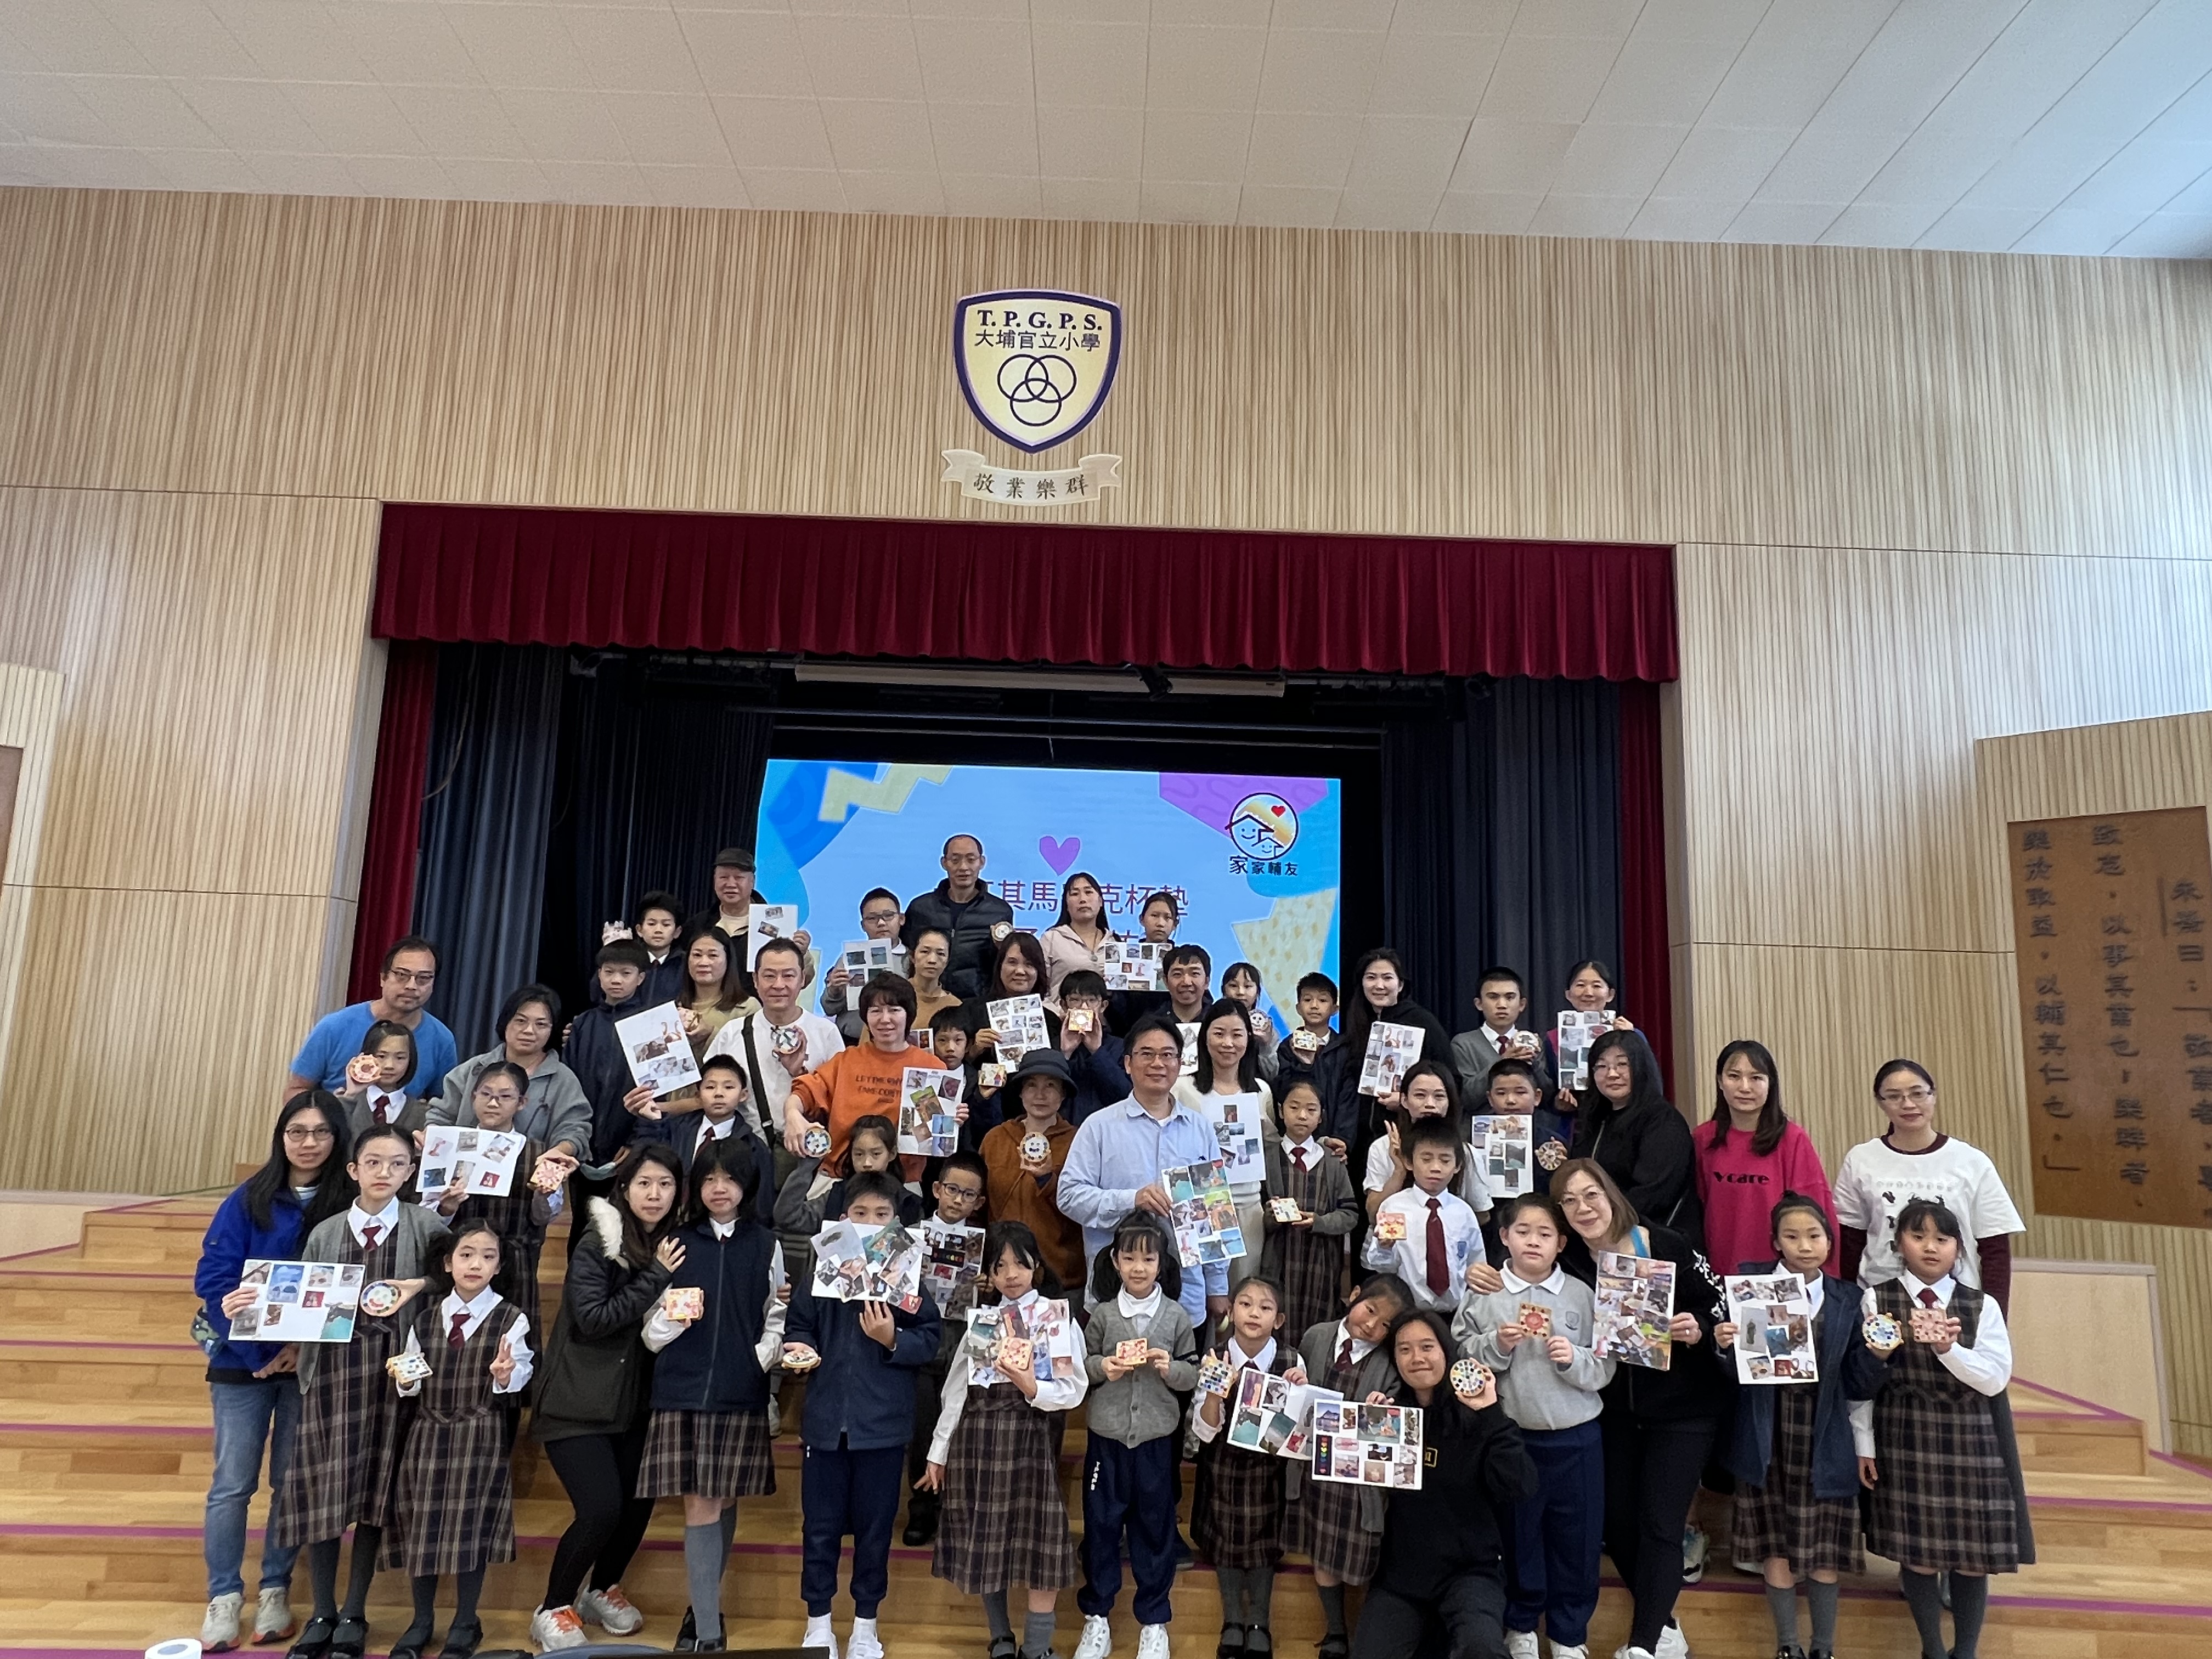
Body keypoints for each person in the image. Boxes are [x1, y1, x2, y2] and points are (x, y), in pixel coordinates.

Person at [1469, 1159, 1722, 1659]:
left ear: (1611, 1195)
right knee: (1615, 1522)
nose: (1583, 1208)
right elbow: (1524, 1264)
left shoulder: (1666, 1244)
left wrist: (1699, 1331)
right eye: (1569, 1201)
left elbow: (1718, 1305)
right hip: (1618, 1410)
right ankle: (1663, 1624)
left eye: (1591, 1195)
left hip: (1682, 1407)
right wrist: (1483, 1272)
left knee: (1660, 1523)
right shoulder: (1575, 1266)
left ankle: (1644, 1644)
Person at [268, 1124, 448, 1659]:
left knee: (375, 1495)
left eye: (396, 1164)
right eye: (373, 1162)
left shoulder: (424, 1225)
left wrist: (420, 1284)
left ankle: (354, 1612)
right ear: (353, 1170)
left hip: (393, 1382)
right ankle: (322, 1611)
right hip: (331, 1378)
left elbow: (454, 1277)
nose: (384, 1173)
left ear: (410, 1172)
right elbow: (298, 1299)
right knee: (325, 1495)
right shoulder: (326, 1232)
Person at [195, 1094, 355, 1652]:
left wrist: (297, 1349)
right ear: (281, 1137)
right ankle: (223, 1596)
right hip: (240, 1365)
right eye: (296, 1131)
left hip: (308, 1369)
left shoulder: (348, 1203)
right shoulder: (248, 1198)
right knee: (232, 1485)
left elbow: (349, 1288)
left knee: (290, 1483)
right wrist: (257, 1353)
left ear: (338, 1138)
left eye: (321, 1132)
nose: (308, 1143)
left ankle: (274, 1591)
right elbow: (214, 1280)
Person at [1854, 1199, 2028, 1659]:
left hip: (1970, 1435)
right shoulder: (1876, 1298)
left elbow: (1996, 1379)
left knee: (1973, 1556)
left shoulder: (1982, 1304)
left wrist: (1950, 1351)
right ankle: (1932, 1649)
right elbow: (1865, 1383)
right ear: (1898, 1244)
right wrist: (1864, 1443)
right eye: (1918, 1237)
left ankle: (1965, 1652)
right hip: (1904, 1431)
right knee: (1918, 1555)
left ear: (1959, 1249)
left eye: (1943, 1239)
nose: (1930, 1247)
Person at [1713, 1193, 1882, 1659]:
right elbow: (1736, 1374)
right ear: (1776, 1242)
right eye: (1792, 1236)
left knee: (1824, 1552)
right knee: (1776, 1547)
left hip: (1825, 1438)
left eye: (1814, 1236)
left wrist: (1878, 1357)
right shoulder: (1752, 1287)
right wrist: (1724, 1346)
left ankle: (1823, 1648)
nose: (1804, 1246)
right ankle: (1787, 1645)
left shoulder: (1849, 1298)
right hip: (1767, 1435)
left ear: (1830, 1242)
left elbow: (1858, 1382)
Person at [782, 1169, 943, 1659]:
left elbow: (931, 1340)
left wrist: (892, 1339)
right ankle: (818, 1625)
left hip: (883, 1428)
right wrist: (800, 1348)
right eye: (859, 1213)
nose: (870, 1223)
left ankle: (866, 1627)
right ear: (843, 1218)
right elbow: (799, 1326)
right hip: (825, 1424)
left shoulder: (906, 1277)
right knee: (820, 1529)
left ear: (895, 1222)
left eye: (881, 1214)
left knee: (875, 1532)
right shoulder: (822, 1272)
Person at [529, 1144, 685, 1652]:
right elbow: (593, 1318)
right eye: (645, 1183)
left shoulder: (674, 1242)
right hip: (577, 1400)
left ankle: (601, 1589)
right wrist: (656, 1277)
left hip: (636, 1403)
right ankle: (553, 1606)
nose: (655, 1194)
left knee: (638, 1505)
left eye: (665, 1184)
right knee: (600, 1508)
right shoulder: (600, 1238)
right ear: (624, 1187)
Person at [637, 1136, 786, 1655]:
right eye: (708, 1179)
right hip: (682, 1388)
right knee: (700, 1502)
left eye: (729, 1179)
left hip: (740, 1387)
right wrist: (673, 1323)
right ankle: (706, 1631)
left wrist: (758, 1359)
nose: (719, 1188)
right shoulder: (677, 1241)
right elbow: (649, 1329)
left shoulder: (766, 1244)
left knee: (724, 1497)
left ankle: (704, 1606)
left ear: (747, 1185)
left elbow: (777, 1313)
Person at [1452, 1193, 1612, 1659]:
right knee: (1517, 1534)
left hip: (1576, 1436)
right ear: (1504, 1237)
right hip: (1512, 1437)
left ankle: (1569, 1633)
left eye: (1545, 1234)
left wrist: (1573, 1358)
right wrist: (1496, 1345)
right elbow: (1462, 1356)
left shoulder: (1582, 1294)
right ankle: (1520, 1625)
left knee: (1578, 1538)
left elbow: (1606, 1366)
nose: (1533, 1242)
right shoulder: (1485, 1291)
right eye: (1523, 1232)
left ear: (1562, 1243)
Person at [923, 1221, 1088, 1659]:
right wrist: (939, 1452)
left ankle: (1037, 1648)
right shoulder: (983, 1322)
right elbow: (956, 1392)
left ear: (1036, 1266)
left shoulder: (1055, 1318)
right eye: (1000, 1266)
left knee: (1043, 1545)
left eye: (1020, 1263)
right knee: (987, 1541)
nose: (1011, 1274)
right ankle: (1000, 1637)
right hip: (978, 1442)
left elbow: (1074, 1390)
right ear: (990, 1275)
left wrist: (1033, 1388)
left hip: (1031, 1439)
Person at [381, 1220, 533, 1659]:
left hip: (479, 1433)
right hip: (428, 1433)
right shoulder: (427, 1318)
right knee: (422, 1526)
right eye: (466, 1255)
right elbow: (411, 1381)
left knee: (473, 1528)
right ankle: (421, 1620)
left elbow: (519, 1374)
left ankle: (466, 1621)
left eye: (488, 1256)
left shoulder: (511, 1318)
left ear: (498, 1266)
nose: (476, 1264)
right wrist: (403, 1378)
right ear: (449, 1263)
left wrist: (505, 1375)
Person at [1347, 1310, 1537, 1659]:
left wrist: (1491, 1414)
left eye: (1427, 1347)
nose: (1416, 1358)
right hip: (1401, 1579)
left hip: (1471, 1574)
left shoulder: (1479, 1415)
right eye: (1404, 1349)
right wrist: (1367, 1430)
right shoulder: (1390, 1419)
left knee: (1481, 1649)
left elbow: (1520, 1487)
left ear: (1446, 1352)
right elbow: (1349, 1476)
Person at [1071, 1215, 1199, 1659]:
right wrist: (1101, 1367)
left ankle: (1154, 1622)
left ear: (1162, 1264)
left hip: (1155, 1441)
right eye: (1129, 1258)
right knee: (1101, 1527)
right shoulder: (1104, 1315)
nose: (1139, 1267)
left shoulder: (1176, 1316)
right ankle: (1097, 1618)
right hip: (1106, 1440)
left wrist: (1171, 1369)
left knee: (1155, 1529)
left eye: (1148, 1259)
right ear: (1115, 1261)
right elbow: (1083, 1364)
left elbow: (1193, 1373)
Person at [1059, 1017, 1232, 1329]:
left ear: (1180, 1064)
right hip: (1114, 1297)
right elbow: (1069, 1196)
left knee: (1183, 1362)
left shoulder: (1200, 1129)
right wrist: (1131, 1200)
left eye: (1168, 1055)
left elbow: (1215, 1212)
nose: (1158, 1064)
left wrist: (1218, 1286)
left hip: (1185, 1296)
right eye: (1147, 1054)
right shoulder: (1098, 1127)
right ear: (1128, 1064)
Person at [1285, 1274, 1412, 1659]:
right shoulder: (1316, 1336)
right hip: (1313, 1476)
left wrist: (1385, 1410)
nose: (1371, 1326)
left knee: (1363, 1560)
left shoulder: (1389, 1361)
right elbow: (1296, 1397)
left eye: (1385, 1324)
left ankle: (1368, 1632)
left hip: (1359, 1490)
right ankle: (1335, 1630)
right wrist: (1295, 1381)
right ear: (1354, 1296)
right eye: (1369, 1310)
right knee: (1321, 1554)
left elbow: (1395, 1428)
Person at [1833, 1059, 2025, 1311]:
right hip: (1879, 1302)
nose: (1908, 1104)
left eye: (1918, 1094)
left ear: (1933, 1096)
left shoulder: (1972, 1161)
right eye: (1894, 1096)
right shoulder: (1861, 1159)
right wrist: (1847, 1312)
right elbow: (1849, 1242)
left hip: (1956, 1303)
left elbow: (1995, 1250)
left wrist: (1994, 1317)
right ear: (1880, 1102)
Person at [1189, 1274, 1296, 1657]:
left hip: (1269, 1469)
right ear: (1231, 1311)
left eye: (1265, 1307)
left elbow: (1295, 1429)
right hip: (1222, 1465)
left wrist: (1297, 1391)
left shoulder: (1290, 1360)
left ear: (1278, 1320)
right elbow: (1204, 1431)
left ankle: (1259, 1622)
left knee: (1265, 1542)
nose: (1254, 1313)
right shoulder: (1215, 1356)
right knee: (1226, 1538)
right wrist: (1215, 1395)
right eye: (1246, 1304)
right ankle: (1233, 1620)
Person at [425, 1062, 563, 1335]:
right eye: (486, 1094)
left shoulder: (538, 1152)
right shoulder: (449, 1145)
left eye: (505, 1096)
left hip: (514, 1262)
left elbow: (544, 1217)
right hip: (460, 1260)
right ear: (473, 1096)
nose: (493, 1103)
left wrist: (542, 1196)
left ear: (521, 1103)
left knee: (511, 1341)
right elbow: (428, 1214)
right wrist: (447, 1208)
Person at [902, 1150, 991, 1548]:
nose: (958, 1200)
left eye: (968, 1195)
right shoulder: (911, 1236)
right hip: (921, 1346)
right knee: (922, 1429)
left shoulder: (986, 1245)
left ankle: (957, 1511)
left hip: (965, 1347)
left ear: (979, 1202)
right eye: (952, 1190)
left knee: (961, 1430)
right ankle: (921, 1508)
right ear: (937, 1189)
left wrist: (988, 1288)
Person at [1695, 1041, 1836, 1274]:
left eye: (1756, 1078)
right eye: (1734, 1076)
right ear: (1720, 1081)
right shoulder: (1703, 1139)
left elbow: (1815, 1214)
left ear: (1771, 1084)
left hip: (1780, 1276)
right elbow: (1696, 1209)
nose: (1744, 1087)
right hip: (1720, 1271)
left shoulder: (1793, 1139)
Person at [786, 970, 945, 1175]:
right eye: (875, 1011)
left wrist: (948, 1120)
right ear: (865, 1017)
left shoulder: (931, 1068)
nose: (885, 1019)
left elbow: (932, 1136)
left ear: (909, 1015)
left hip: (902, 1180)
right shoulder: (847, 1060)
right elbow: (805, 1092)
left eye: (894, 1010)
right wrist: (792, 1114)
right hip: (840, 1175)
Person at [701, 938, 842, 1150]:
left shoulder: (826, 1032)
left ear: (803, 979)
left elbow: (838, 1098)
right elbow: (709, 1092)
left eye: (788, 976)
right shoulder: (732, 1032)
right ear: (755, 980)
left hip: (808, 1151)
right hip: (744, 1150)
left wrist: (799, 1073)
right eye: (769, 976)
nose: (779, 985)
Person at [1314, 948, 1451, 1166]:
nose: (1379, 985)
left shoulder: (1423, 1022)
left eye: (1387, 978)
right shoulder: (1358, 1023)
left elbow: (1450, 1079)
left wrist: (1407, 1100)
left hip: (1407, 1136)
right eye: (1371, 978)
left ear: (1401, 985)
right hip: (1359, 1143)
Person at [1566, 1029, 1701, 1246]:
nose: (1612, 1074)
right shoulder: (1595, 1118)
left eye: (1623, 1064)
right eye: (1602, 1066)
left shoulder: (1663, 1121)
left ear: (1641, 1068)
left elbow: (1653, 1194)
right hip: (1597, 1239)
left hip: (1649, 1242)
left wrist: (1601, 1219)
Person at [285, 936, 458, 1104]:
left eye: (424, 978)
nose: (412, 986)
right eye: (402, 975)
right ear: (383, 978)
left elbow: (443, 1107)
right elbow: (296, 1091)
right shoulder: (335, 1027)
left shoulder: (442, 1040)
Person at [1177, 997, 1276, 1287]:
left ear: (1249, 1039)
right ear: (1204, 1037)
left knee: (1243, 1290)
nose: (1228, 1043)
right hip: (1200, 1204)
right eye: (1219, 1034)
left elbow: (1271, 1146)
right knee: (1202, 1291)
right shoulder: (1182, 1088)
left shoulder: (1261, 1091)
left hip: (1249, 1206)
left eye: (1237, 1035)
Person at [431, 985, 591, 1162]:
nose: (529, 1031)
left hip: (532, 1171)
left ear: (552, 1030)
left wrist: (560, 1151)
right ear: (506, 1022)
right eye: (521, 1021)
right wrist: (430, 1138)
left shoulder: (564, 1080)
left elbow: (575, 1130)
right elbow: (441, 1117)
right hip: (463, 1171)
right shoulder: (474, 1069)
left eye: (541, 1024)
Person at [1259, 1077, 1360, 1339]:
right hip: (1280, 1258)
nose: (1302, 1116)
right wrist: (1270, 1216)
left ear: (1321, 1116)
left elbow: (1350, 1214)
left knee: (1316, 1326)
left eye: (1311, 1109)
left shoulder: (1333, 1161)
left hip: (1321, 1262)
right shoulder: (1267, 1157)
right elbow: (1253, 1212)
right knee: (1277, 1318)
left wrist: (1320, 1222)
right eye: (1294, 1108)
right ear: (1281, 1111)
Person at [979, 1050, 1087, 1290]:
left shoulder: (1080, 1141)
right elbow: (979, 1206)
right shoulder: (996, 1138)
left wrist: (1048, 1180)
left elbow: (1085, 1208)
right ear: (1020, 1092)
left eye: (1051, 1086)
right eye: (1031, 1085)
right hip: (1003, 1277)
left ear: (1063, 1094)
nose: (1040, 1095)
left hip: (1061, 1277)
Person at [561, 941, 663, 1171]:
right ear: (599, 974)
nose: (616, 980)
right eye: (609, 972)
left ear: (641, 978)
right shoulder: (583, 1024)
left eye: (626, 973)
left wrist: (637, 1140)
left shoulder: (652, 1025)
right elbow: (567, 1084)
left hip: (630, 1142)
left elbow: (658, 1090)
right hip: (580, 1141)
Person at [1363, 1117, 1482, 1313]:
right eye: (1426, 1159)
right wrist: (1385, 1248)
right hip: (1407, 1310)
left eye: (1445, 1160)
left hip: (1455, 1312)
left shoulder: (1464, 1212)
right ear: (1409, 1162)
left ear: (1458, 1166)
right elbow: (1382, 1267)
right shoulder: (1394, 1207)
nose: (1436, 1168)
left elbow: (1476, 1263)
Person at [683, 846, 817, 1003]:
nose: (731, 884)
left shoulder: (777, 924)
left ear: (752, 882)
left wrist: (801, 953)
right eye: (723, 877)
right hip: (707, 1011)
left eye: (739, 878)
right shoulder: (698, 925)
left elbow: (804, 980)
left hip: (759, 1011)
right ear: (714, 881)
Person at [1363, 1060, 1489, 1220]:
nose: (1430, 1104)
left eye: (1439, 1096)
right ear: (1404, 1100)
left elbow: (1482, 1215)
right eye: (1420, 1095)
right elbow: (1373, 1215)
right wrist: (1400, 1170)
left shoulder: (1466, 1152)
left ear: (1450, 1102)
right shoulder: (1383, 1147)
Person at [901, 834, 1016, 1002]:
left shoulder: (999, 911)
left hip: (977, 1002)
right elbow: (905, 953)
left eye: (971, 860)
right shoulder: (921, 908)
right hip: (927, 1000)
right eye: (955, 860)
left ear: (982, 862)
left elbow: (1003, 960)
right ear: (944, 863)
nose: (963, 867)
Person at [667, 1056, 776, 1229]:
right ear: (698, 1094)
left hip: (725, 1231)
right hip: (671, 1224)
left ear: (743, 1095)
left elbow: (762, 1204)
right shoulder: (675, 1130)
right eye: (710, 1087)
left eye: (729, 1087)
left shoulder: (753, 1147)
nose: (719, 1093)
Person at [1448, 966, 1555, 1104]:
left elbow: (1547, 1096)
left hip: (1527, 1118)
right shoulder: (1464, 1044)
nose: (1502, 1005)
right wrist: (1502, 1061)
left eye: (1510, 997)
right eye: (1493, 997)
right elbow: (1465, 1097)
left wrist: (1534, 1064)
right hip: (1481, 1118)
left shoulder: (1534, 1042)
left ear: (1522, 1004)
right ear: (1479, 1004)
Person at [821, 888, 909, 1043]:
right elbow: (829, 1009)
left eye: (888, 916)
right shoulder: (849, 958)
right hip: (852, 1042)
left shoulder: (913, 959)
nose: (881, 923)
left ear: (901, 919)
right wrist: (834, 991)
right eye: (872, 918)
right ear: (863, 925)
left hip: (898, 1042)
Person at [1481, 1058, 1568, 1203]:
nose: (1510, 1100)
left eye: (1520, 1092)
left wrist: (1563, 1169)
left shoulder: (1553, 1142)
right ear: (1490, 1099)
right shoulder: (1477, 1141)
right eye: (1501, 1093)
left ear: (1537, 1097)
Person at [1054, 968, 1131, 1123]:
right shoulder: (1052, 1046)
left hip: (1108, 1128)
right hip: (1061, 1128)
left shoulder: (1119, 1047)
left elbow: (1126, 1095)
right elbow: (1047, 1092)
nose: (1084, 1008)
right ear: (1064, 1005)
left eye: (1092, 1001)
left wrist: (1097, 1052)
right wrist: (1064, 1055)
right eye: (1075, 1000)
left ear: (1103, 1006)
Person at [336, 1020, 427, 1146]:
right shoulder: (347, 1103)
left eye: (400, 1058)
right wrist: (350, 1095)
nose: (390, 1066)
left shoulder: (421, 1113)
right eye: (381, 1056)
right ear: (366, 1057)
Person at [1106, 890, 1184, 1034]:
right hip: (1130, 1033)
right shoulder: (1125, 957)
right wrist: (1111, 991)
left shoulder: (1183, 961)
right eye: (1154, 916)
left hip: (1172, 1033)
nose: (1160, 923)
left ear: (1175, 924)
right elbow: (1117, 1011)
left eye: (1167, 918)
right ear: (1142, 919)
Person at [1040, 871, 1114, 1009]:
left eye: (1089, 892)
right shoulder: (1052, 938)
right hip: (1060, 1018)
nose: (1082, 899)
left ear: (1101, 901)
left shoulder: (1114, 942)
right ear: (1066, 904)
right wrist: (1057, 1014)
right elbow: (1039, 988)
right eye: (1075, 894)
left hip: (1104, 1020)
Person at [674, 930, 749, 1064]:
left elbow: (750, 1060)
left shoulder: (746, 1008)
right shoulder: (674, 1009)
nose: (703, 962)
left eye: (713, 955)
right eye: (697, 955)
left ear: (728, 960)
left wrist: (711, 1034)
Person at [1274, 970, 1340, 1088]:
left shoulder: (1344, 1047)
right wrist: (1305, 1066)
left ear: (1335, 1009)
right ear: (1298, 1008)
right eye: (1308, 1000)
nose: (1314, 1006)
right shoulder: (1288, 1047)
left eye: (1322, 1000)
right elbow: (1283, 1088)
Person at [1220, 960, 1280, 1084]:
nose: (1240, 992)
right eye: (1233, 986)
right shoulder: (1213, 1023)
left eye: (1248, 987)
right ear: (1224, 990)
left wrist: (1265, 1046)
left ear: (1258, 992)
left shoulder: (1267, 1029)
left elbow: (1273, 1075)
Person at [908, 928, 966, 1034]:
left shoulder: (954, 1005)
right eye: (925, 952)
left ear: (947, 962)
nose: (932, 960)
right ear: (912, 956)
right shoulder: (895, 995)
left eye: (941, 954)